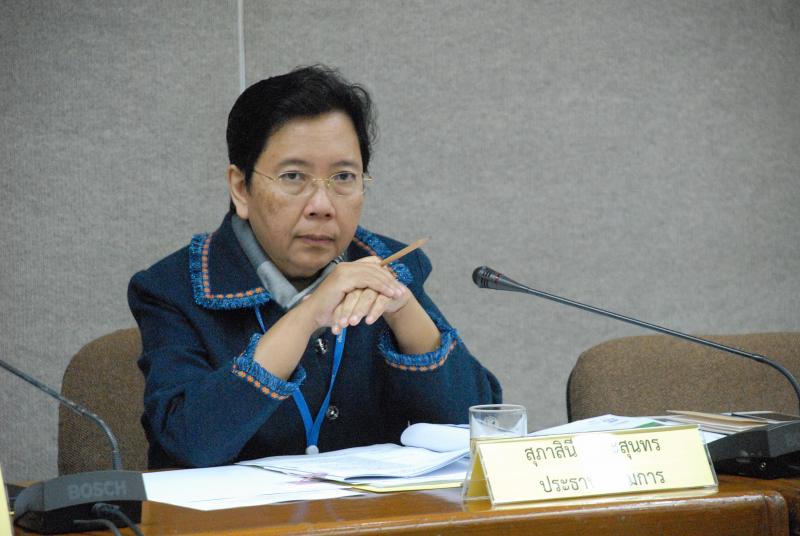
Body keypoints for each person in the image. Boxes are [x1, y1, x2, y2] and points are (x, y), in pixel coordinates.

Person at [128, 65, 502, 469]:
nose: (322, 206)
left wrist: (404, 310)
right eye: (293, 176)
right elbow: (185, 444)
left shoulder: (390, 265)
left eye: (343, 177)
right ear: (241, 188)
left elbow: (483, 427)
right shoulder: (173, 288)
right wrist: (308, 315)